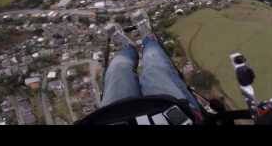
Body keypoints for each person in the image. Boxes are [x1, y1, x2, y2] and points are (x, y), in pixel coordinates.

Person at [76, 10, 204, 125]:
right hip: (174, 112)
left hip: (111, 118)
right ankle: (148, 38)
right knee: (154, 67)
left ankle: (127, 48)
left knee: (117, 70)